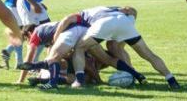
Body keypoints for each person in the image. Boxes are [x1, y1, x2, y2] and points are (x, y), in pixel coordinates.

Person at [53, 6, 180, 89]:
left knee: (79, 48)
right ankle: (171, 80)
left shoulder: (81, 15)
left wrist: (55, 39)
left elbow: (66, 20)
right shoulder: (107, 8)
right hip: (123, 22)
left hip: (104, 23)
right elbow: (130, 10)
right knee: (148, 54)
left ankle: (79, 81)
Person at [17, 20, 145, 90]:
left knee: (59, 61)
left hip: (73, 34)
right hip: (84, 31)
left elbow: (30, 55)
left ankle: (48, 78)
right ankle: (137, 75)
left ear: (28, 34)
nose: (29, 42)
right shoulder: (47, 30)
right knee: (105, 61)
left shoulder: (36, 34)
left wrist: (21, 79)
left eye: (26, 39)